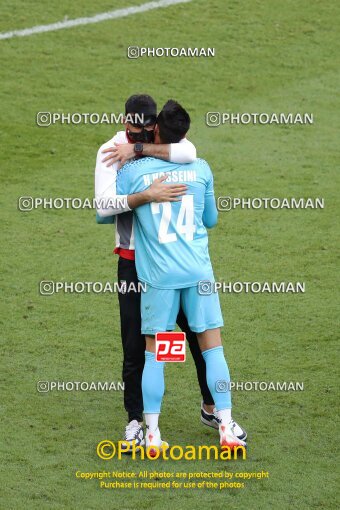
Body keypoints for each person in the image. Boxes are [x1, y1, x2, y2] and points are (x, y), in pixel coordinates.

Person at [95, 95, 244, 450]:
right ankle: (138, 421)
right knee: (142, 344)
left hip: (158, 269)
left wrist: (140, 154)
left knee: (173, 344)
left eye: (146, 127)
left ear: (154, 127)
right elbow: (102, 208)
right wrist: (146, 195)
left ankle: (191, 417)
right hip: (143, 263)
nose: (139, 132)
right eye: (134, 127)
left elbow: (185, 151)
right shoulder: (113, 152)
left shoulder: (136, 165)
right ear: (124, 121)